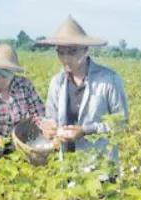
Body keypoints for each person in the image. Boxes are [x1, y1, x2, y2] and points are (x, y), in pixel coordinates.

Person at [36, 16, 128, 164]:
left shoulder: (109, 80)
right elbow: (50, 117)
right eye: (61, 52)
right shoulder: (57, 82)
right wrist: (49, 127)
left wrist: (86, 130)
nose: (66, 59)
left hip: (100, 164)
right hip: (66, 162)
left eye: (72, 52)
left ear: (86, 50)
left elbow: (121, 122)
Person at [0, 44, 45, 180]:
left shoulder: (24, 86)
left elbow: (38, 113)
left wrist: (47, 132)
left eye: (4, 76)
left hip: (22, 145)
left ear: (12, 72)